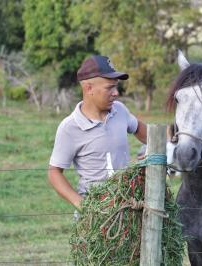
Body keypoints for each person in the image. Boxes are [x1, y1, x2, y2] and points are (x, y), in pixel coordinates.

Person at [48, 55, 147, 211]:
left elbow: (143, 131)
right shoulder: (70, 127)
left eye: (116, 87)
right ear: (89, 88)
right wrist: (82, 204)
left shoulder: (120, 110)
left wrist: (156, 149)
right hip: (94, 214)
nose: (116, 93)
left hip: (127, 207)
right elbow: (54, 173)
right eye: (109, 88)